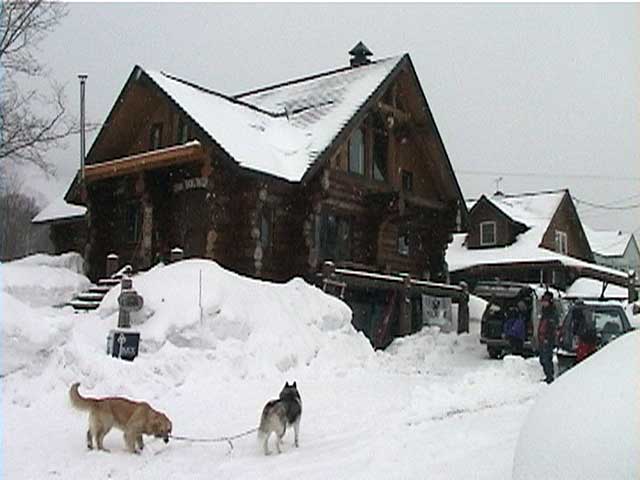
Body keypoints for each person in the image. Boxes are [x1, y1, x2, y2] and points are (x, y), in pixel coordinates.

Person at [538, 291, 558, 383]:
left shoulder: (552, 312)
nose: (544, 303)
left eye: (545, 301)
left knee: (546, 358)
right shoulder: (544, 311)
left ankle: (550, 376)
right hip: (542, 338)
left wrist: (548, 337)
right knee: (542, 359)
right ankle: (548, 375)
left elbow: (552, 327)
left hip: (548, 339)